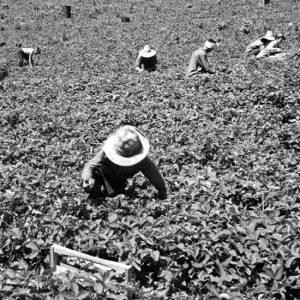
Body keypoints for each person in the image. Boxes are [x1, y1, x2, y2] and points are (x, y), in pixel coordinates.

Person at [81, 125, 167, 200]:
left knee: (116, 194)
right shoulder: (106, 152)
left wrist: (162, 195)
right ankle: (96, 198)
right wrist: (87, 178)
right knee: (93, 189)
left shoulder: (143, 161)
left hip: (119, 181)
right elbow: (90, 165)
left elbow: (155, 177)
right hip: (101, 175)